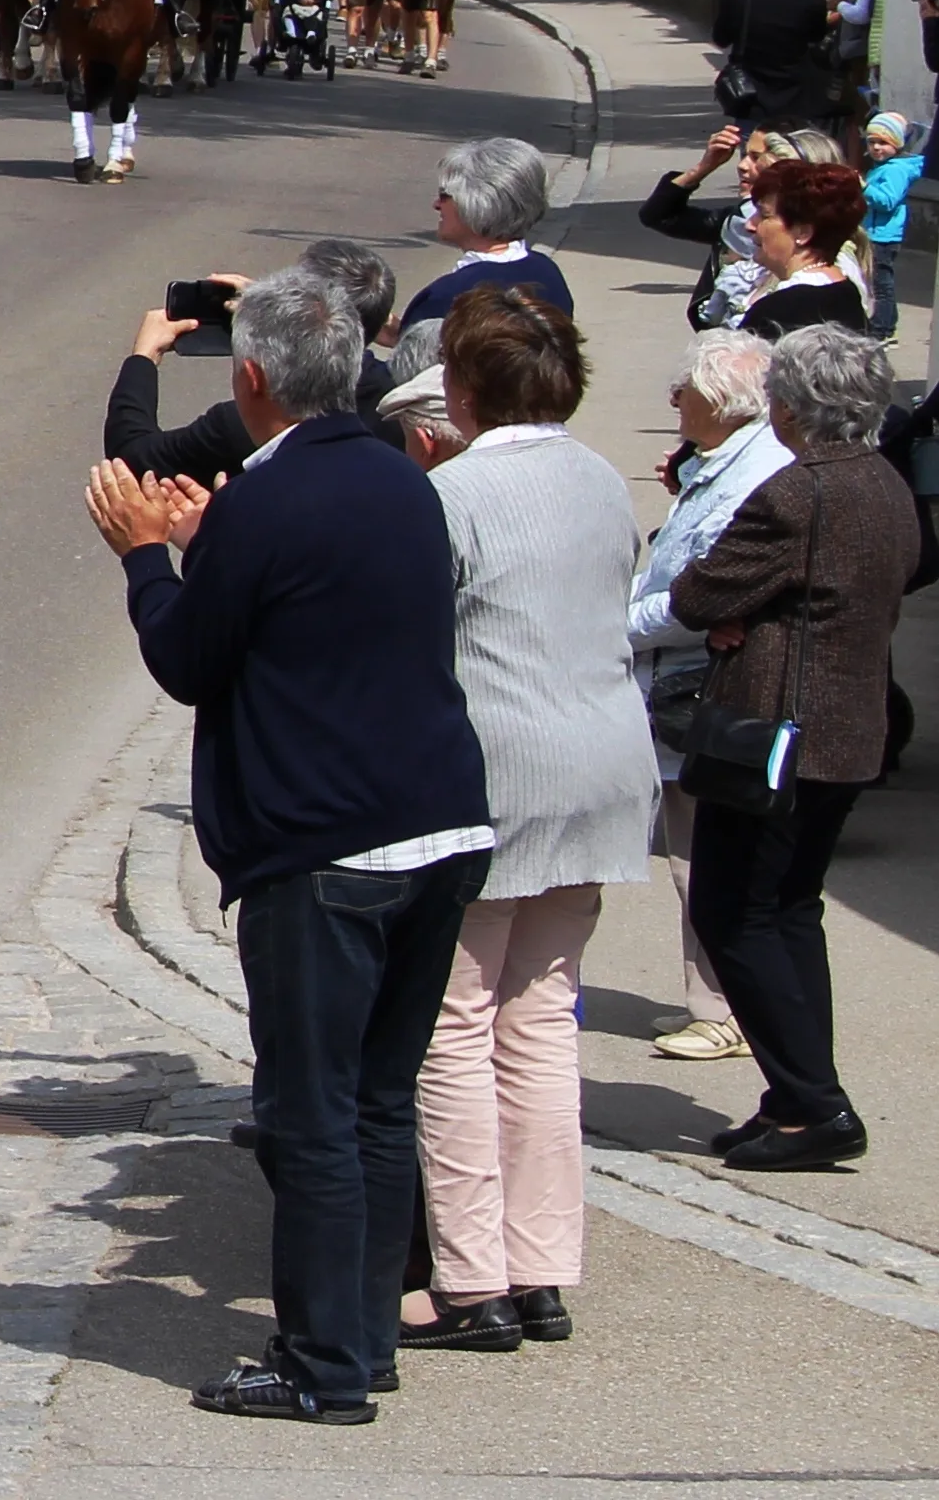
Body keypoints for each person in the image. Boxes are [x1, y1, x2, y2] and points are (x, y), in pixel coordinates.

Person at [88, 268, 493, 1424]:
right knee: (375, 1102)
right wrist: (220, 540)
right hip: (437, 819)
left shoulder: (268, 499)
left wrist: (142, 555)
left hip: (324, 843)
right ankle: (361, 1341)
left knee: (311, 1111)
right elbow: (322, 605)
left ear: (251, 377)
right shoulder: (393, 472)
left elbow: (186, 659)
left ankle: (321, 1369)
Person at [396, 293, 653, 1352]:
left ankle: (470, 1277)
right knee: (541, 1018)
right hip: (598, 755)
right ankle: (538, 1264)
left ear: (461, 389)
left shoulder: (451, 491)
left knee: (453, 1024)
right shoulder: (598, 477)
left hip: (497, 768)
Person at [669, 324, 916, 1171]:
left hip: (778, 736)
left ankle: (813, 1100)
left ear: (794, 406)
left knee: (732, 911)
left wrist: (744, 611)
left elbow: (700, 592)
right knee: (786, 909)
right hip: (847, 732)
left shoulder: (796, 493)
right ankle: (794, 1093)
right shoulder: (883, 483)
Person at [632, 331, 787, 1067]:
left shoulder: (749, 475)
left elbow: (694, 596)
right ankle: (721, 997)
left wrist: (616, 623)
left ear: (721, 401)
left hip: (700, 684)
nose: (673, 399)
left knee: (702, 856)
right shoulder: (721, 460)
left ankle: (721, 1008)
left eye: (684, 388)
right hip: (685, 676)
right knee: (696, 852)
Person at [107, 241, 400, 482]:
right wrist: (268, 306)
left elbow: (131, 459)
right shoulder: (398, 398)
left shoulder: (245, 422)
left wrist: (144, 357)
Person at [641, 122, 840, 330]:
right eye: (744, 155)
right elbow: (658, 215)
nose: (743, 166)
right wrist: (703, 168)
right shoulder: (737, 221)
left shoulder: (822, 262)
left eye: (757, 158)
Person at [390, 137, 572, 351]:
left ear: (476, 203)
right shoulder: (548, 273)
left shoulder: (451, 295)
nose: (436, 204)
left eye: (445, 195)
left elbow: (409, 373)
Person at [716, 0, 844, 133]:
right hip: (796, 99)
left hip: (751, 96)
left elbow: (721, 38)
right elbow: (817, 36)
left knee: (755, 159)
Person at [736, 158, 873, 340]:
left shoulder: (781, 311)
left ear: (803, 233)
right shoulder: (846, 292)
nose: (750, 225)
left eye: (763, 214)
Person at [855, 111, 916, 338]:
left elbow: (888, 200)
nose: (876, 148)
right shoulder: (883, 168)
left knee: (882, 285)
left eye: (883, 142)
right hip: (876, 232)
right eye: (872, 142)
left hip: (884, 235)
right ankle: (885, 322)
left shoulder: (895, 170)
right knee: (879, 283)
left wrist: (864, 187)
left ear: (897, 144)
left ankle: (882, 328)